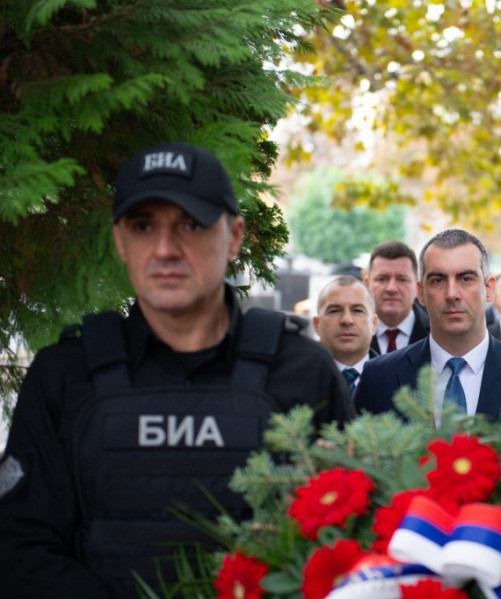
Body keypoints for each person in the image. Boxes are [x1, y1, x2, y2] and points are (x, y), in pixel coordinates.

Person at [0, 142, 355, 598]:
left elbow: (348, 538)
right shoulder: (65, 376)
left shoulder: (304, 372)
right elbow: (21, 550)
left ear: (235, 237)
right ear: (120, 241)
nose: (165, 249)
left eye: (190, 224)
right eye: (143, 226)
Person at [354, 229, 501, 422]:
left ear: (489, 288)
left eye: (466, 279)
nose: (452, 294)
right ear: (421, 293)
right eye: (438, 280)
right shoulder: (378, 378)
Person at [313, 275, 378, 396]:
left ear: (374, 324)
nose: (347, 320)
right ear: (317, 325)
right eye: (334, 311)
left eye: (357, 310)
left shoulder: (398, 381)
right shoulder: (296, 380)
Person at [365, 240, 429, 355]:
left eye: (402, 279)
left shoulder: (437, 334)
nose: (392, 288)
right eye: (382, 279)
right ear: (367, 284)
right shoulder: (351, 333)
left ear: (417, 288)